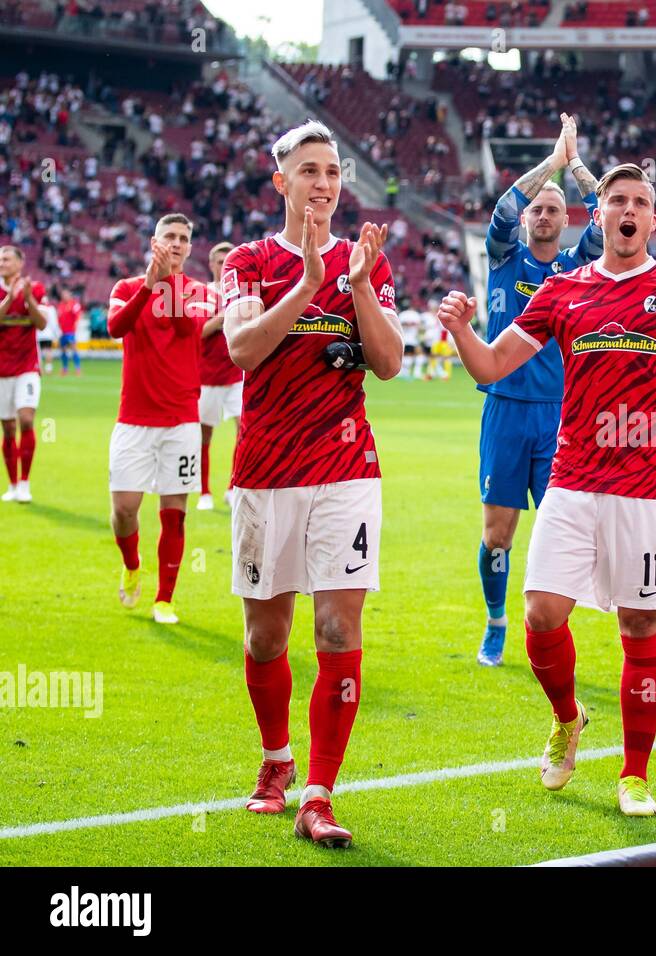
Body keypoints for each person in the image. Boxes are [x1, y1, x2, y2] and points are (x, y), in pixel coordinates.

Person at [437, 162, 656, 816]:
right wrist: (458, 331)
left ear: (652, 219)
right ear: (599, 217)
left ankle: (635, 774)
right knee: (540, 616)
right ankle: (568, 719)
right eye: (616, 199)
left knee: (640, 626)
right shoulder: (562, 294)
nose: (627, 209)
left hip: (648, 490)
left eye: (639, 201)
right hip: (573, 482)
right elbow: (490, 364)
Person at [222, 120, 402, 848]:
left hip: (345, 471)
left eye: (332, 171)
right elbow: (242, 348)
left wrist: (356, 287)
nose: (324, 184)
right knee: (267, 637)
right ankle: (275, 762)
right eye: (308, 171)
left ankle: (319, 794)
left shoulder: (368, 264)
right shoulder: (247, 260)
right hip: (265, 471)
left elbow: (387, 364)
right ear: (281, 181)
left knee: (337, 628)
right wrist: (306, 285)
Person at [474, 112, 603, 667]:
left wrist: (574, 164)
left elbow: (610, 210)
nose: (543, 214)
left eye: (554, 208)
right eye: (537, 209)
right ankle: (497, 621)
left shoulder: (579, 266)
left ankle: (546, 634)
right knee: (498, 533)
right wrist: (550, 164)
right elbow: (503, 206)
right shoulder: (504, 256)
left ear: (565, 218)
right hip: (505, 410)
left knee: (559, 534)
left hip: (561, 416)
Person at [107, 214, 211, 623]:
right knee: (125, 509)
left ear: (189, 247)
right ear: (154, 240)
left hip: (181, 419)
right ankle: (132, 564)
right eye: (169, 236)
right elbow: (117, 327)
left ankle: (165, 598)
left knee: (174, 511)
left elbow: (189, 331)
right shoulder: (127, 287)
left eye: (184, 238)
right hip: (134, 418)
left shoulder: (199, 291)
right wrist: (151, 285)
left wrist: (167, 282)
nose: (177, 243)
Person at [197, 241, 241, 511]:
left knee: (244, 431)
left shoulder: (242, 292)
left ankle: (232, 487)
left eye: (228, 260)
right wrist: (223, 316)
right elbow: (198, 332)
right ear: (211, 264)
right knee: (204, 435)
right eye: (219, 260)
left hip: (236, 374)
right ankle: (204, 492)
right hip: (206, 376)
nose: (224, 265)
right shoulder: (200, 293)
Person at [0, 246, 46, 503]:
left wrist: (28, 299)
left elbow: (42, 324)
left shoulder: (36, 288)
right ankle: (13, 484)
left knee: (26, 420)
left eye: (6, 259)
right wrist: (9, 299)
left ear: (20, 263)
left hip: (27, 368)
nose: (2, 263)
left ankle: (25, 484)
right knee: (7, 429)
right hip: (1, 370)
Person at [56, 286, 83, 376]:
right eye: (63, 294)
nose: (64, 296)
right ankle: (65, 368)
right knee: (63, 350)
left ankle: (78, 368)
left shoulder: (74, 304)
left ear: (69, 295)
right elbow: (59, 319)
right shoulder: (60, 305)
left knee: (73, 349)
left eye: (65, 294)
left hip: (70, 332)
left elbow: (78, 317)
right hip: (62, 332)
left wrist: (75, 328)